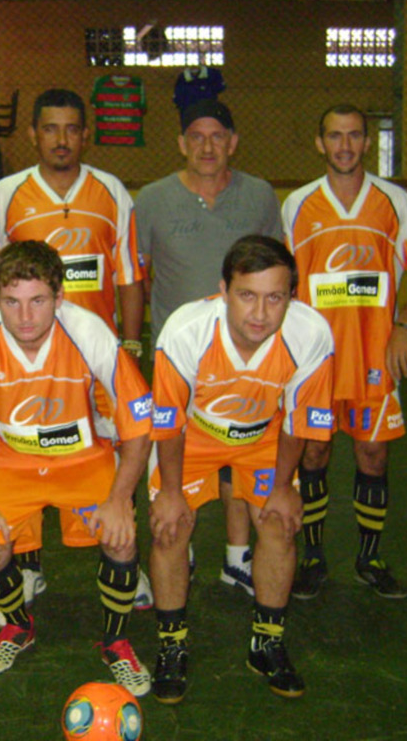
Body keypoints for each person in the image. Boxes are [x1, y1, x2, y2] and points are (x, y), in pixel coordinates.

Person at [0, 241, 154, 698]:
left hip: (82, 456)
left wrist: (118, 501)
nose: (25, 316)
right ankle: (17, 626)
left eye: (38, 300)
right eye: (11, 302)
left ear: (60, 296)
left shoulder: (88, 331)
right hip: (9, 457)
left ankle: (116, 640)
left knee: (121, 535)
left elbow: (138, 423)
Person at [147, 235, 334, 704]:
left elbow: (297, 419)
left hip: (264, 437)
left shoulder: (311, 334)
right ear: (223, 290)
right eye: (247, 295)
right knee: (170, 526)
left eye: (275, 298)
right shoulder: (186, 331)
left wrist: (285, 487)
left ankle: (266, 642)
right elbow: (168, 424)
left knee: (280, 524)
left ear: (292, 296)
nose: (260, 313)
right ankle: (172, 646)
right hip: (195, 434)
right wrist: (171, 493)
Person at [283, 104, 407, 600]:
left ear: (368, 142)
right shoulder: (296, 205)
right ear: (320, 143)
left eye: (354, 136)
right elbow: (280, 283)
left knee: (373, 454)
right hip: (316, 359)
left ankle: (370, 556)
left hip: (374, 357)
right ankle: (312, 557)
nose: (344, 146)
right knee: (313, 450)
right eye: (334, 136)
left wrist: (403, 323)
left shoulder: (396, 203)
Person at [0, 88, 148, 608]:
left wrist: (128, 339)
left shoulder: (111, 192)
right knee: (28, 447)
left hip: (94, 359)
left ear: (85, 133)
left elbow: (127, 273)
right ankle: (29, 565)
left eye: (72, 128)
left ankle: (124, 555)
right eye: (50, 128)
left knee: (115, 450)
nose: (61, 139)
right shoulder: (6, 194)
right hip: (27, 353)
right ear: (33, 133)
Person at [136, 99, 283, 594]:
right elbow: (135, 274)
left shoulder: (260, 195)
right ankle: (185, 548)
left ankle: (237, 557)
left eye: (217, 135)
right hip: (179, 361)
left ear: (233, 142)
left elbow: (277, 269)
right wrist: (135, 341)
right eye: (195, 136)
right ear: (181, 143)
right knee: (178, 454)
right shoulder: (152, 199)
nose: (206, 146)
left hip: (245, 355)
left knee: (240, 447)